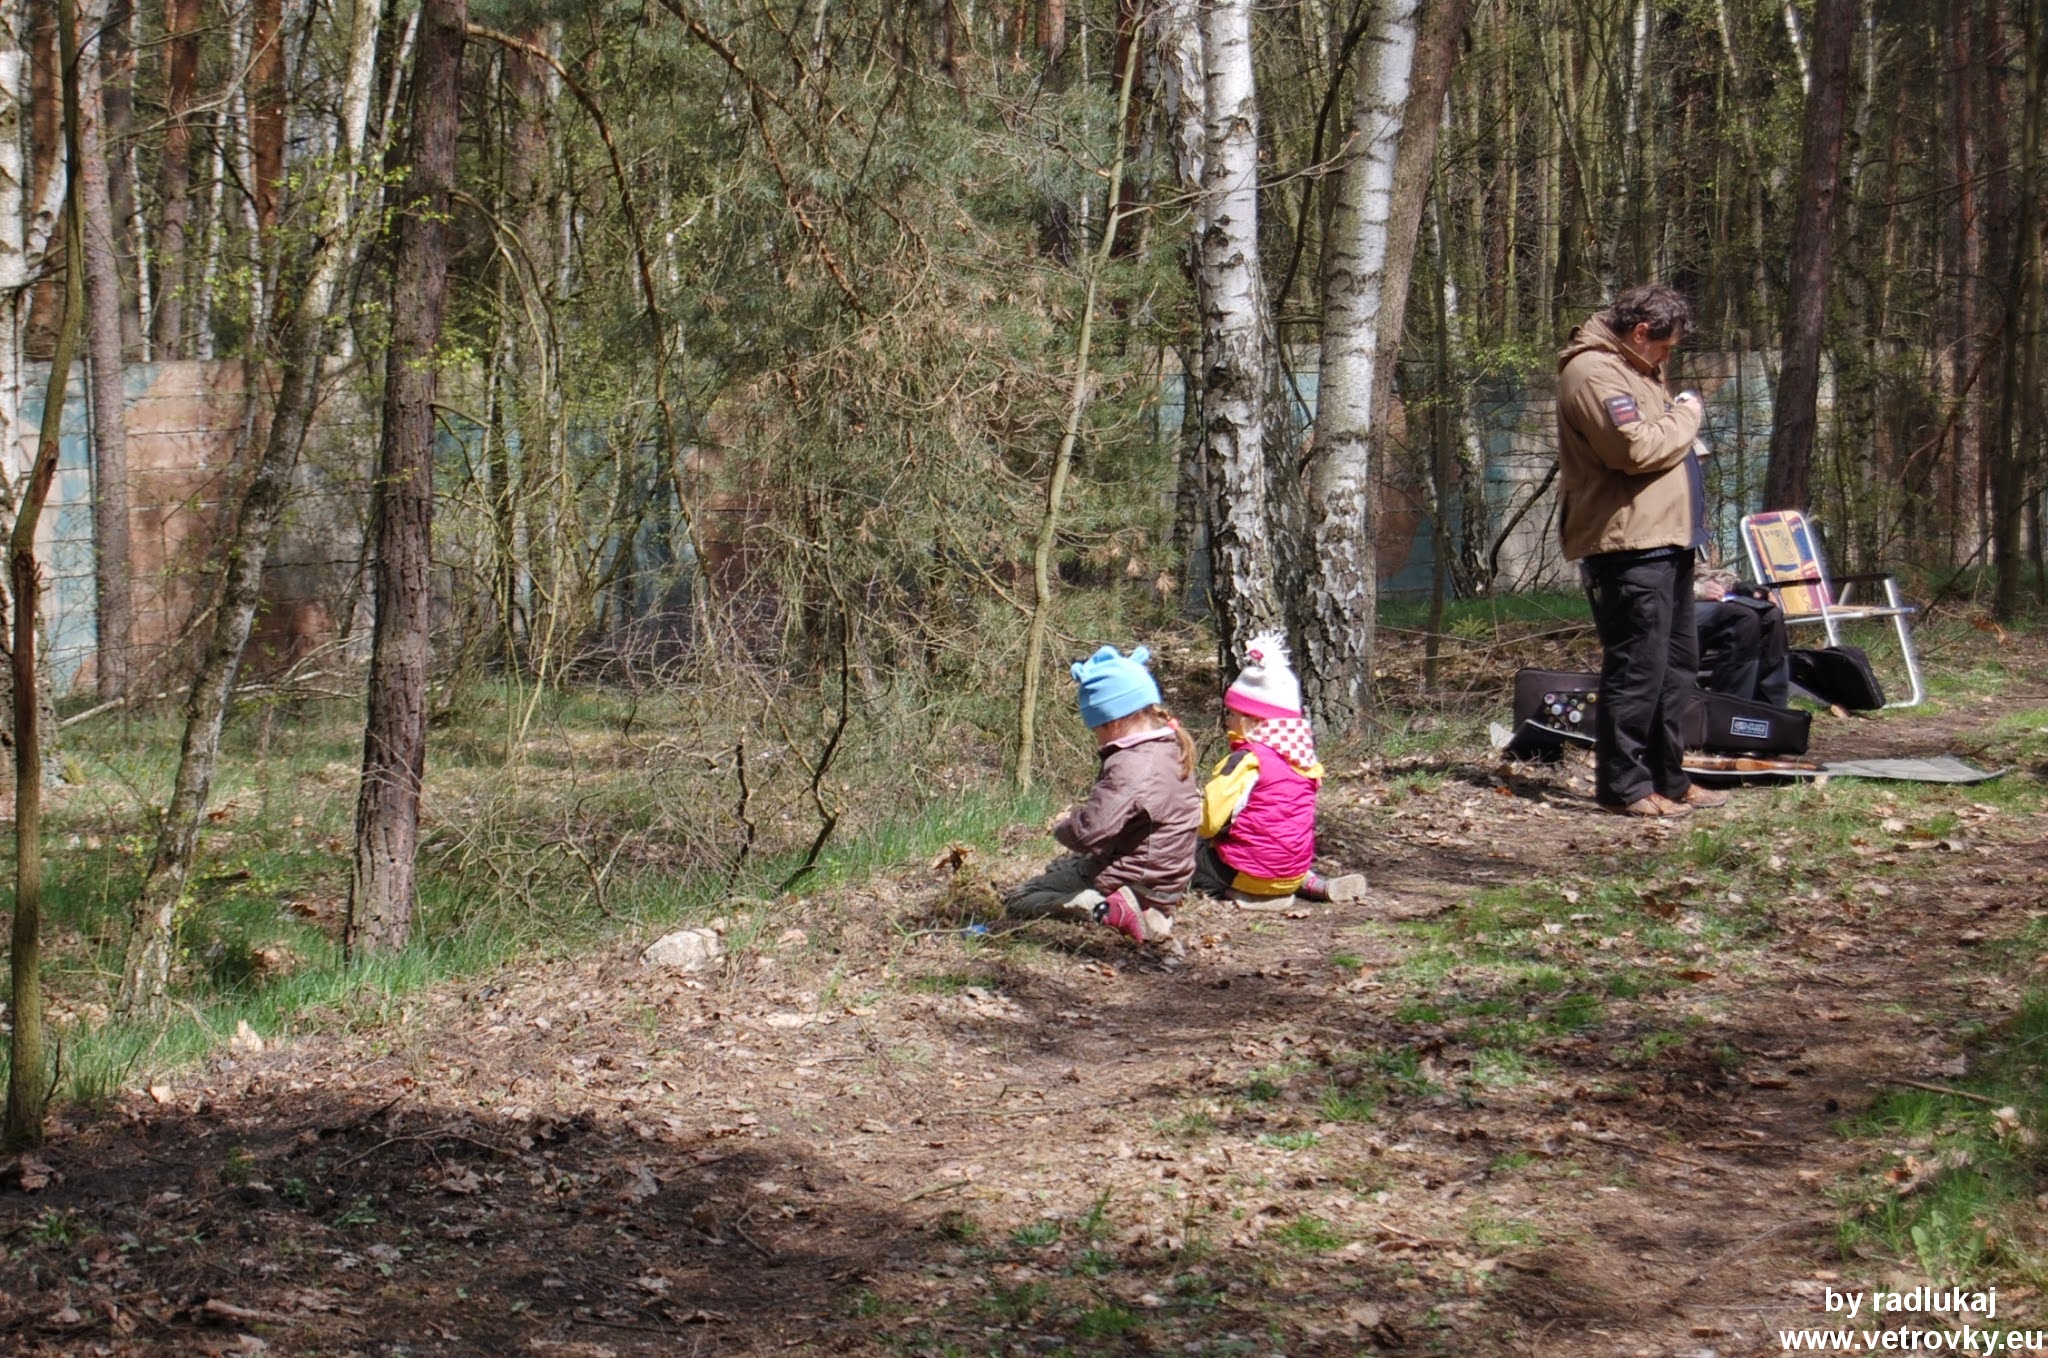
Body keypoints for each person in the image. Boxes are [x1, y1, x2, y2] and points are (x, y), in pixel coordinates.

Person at [1556, 283, 1730, 819]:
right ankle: (1624, 786)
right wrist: (1688, 413)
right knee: (1638, 669)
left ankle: (1668, 779)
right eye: (1665, 346)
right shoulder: (1593, 372)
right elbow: (1633, 449)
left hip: (1666, 540)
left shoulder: (1638, 370)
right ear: (1638, 333)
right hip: (1629, 545)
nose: (1667, 357)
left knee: (1676, 669)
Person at [1002, 645, 1201, 944]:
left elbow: (1089, 833)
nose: (1096, 738)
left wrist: (1062, 825)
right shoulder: (1170, 747)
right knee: (1064, 867)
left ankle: (1105, 908)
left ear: (1113, 721)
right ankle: (1147, 911)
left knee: (1020, 898)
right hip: (1167, 880)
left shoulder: (1131, 765)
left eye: (1096, 729)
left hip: (1136, 880)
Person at [1193, 634, 1366, 904]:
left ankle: (1243, 894)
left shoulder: (1247, 760)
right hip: (1291, 870)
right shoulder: (1304, 762)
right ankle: (1313, 885)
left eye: (1232, 714)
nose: (1227, 721)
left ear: (1252, 721)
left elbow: (1209, 822)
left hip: (1246, 873)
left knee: (1188, 853)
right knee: (1279, 850)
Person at [1694, 567, 1790, 706]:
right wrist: (1698, 588)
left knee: (1772, 615)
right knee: (1743, 617)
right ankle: (1730, 706)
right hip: (1677, 603)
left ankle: (1771, 707)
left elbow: (1701, 570)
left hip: (1710, 597)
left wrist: (1744, 588)